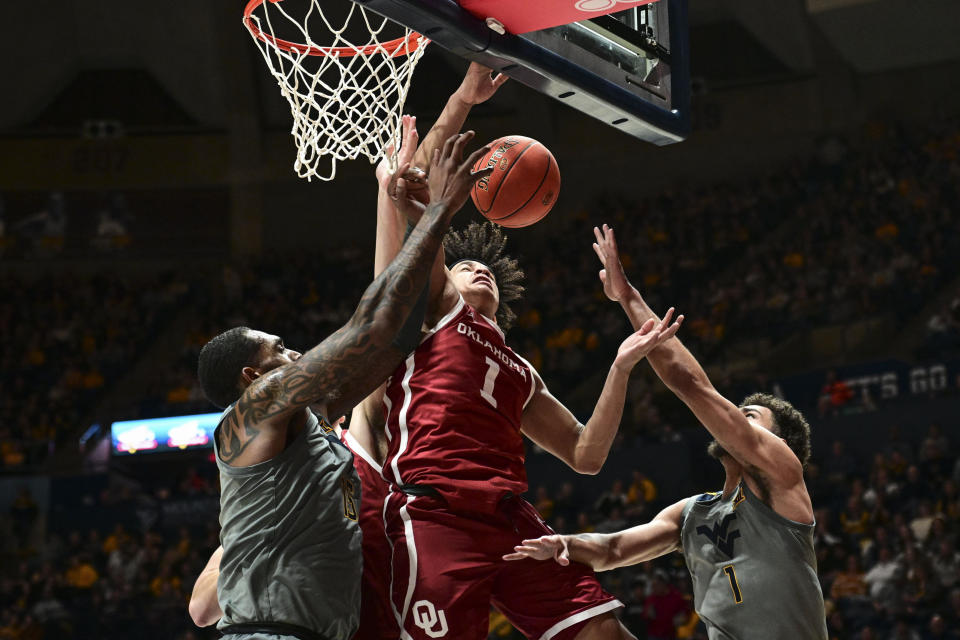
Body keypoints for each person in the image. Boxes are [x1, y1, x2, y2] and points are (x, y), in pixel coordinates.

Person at [374, 125, 682, 640]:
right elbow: (418, 253)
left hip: (511, 520)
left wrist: (620, 368)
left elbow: (586, 455)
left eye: (484, 267)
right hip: (436, 512)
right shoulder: (436, 313)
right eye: (465, 266)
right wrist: (426, 207)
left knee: (605, 632)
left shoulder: (521, 369)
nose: (479, 270)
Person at [188, 130, 495, 640]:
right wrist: (439, 210)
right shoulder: (257, 408)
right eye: (279, 348)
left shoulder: (312, 420)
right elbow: (367, 327)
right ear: (253, 375)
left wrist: (396, 202)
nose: (296, 352)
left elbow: (395, 338)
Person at [504, 225, 827, 640]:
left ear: (780, 445)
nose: (735, 419)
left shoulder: (782, 478)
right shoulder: (692, 513)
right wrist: (562, 544)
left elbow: (691, 385)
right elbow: (612, 549)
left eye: (750, 417)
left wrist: (629, 298)